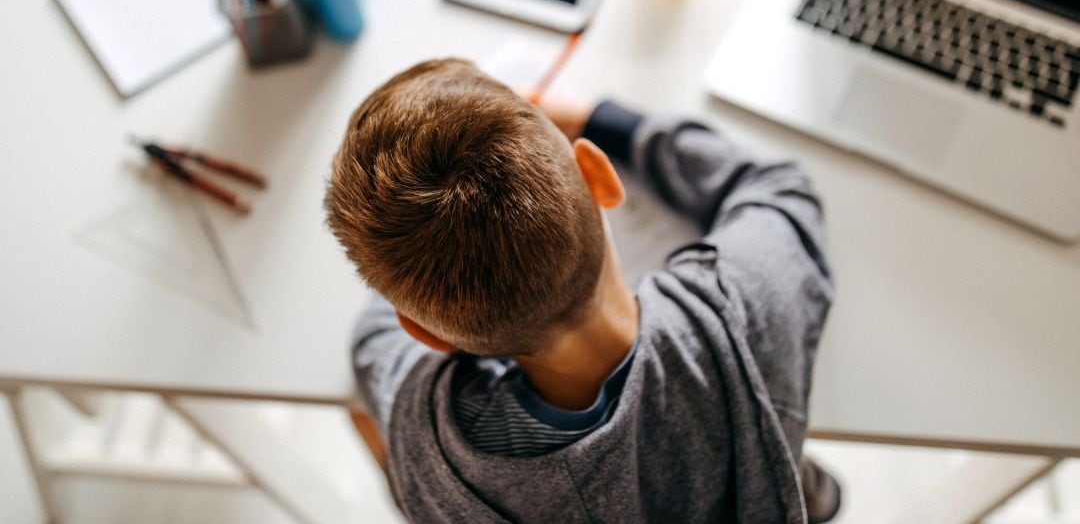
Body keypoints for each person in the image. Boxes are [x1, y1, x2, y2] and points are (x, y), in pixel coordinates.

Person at [324, 58, 840, 523]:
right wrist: (605, 120)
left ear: (425, 333)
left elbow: (372, 341)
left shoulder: (426, 434)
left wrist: (413, 257)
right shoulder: (743, 312)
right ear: (599, 177)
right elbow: (776, 187)